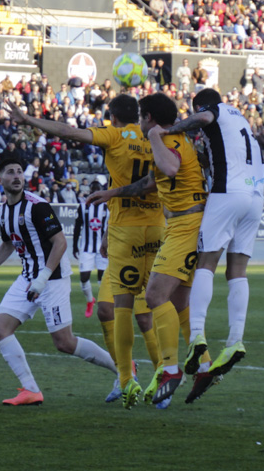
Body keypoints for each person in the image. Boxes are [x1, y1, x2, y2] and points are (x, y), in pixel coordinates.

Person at [6, 96, 162, 405]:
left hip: (146, 237)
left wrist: (29, 120)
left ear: (112, 117)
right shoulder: (153, 136)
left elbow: (70, 132)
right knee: (106, 309)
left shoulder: (117, 135)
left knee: (144, 317)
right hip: (124, 234)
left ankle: (163, 376)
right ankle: (124, 376)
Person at [88, 93, 216, 407]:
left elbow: (168, 168)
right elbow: (149, 183)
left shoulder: (167, 140)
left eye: (144, 118)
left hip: (184, 226)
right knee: (179, 299)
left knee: (155, 296)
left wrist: (157, 134)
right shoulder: (179, 140)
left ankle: (169, 368)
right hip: (190, 225)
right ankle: (204, 364)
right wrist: (112, 192)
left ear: (148, 119)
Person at [0, 154, 116, 406]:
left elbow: (60, 242)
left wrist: (42, 278)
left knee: (64, 343)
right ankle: (30, 389)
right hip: (27, 278)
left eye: (19, 172)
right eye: (10, 172)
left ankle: (124, 369)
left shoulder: (37, 206)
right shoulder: (3, 212)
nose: (16, 176)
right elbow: (8, 244)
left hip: (52, 277)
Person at [158, 88, 264, 390]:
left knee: (205, 263)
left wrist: (172, 129)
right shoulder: (241, 119)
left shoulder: (214, 111)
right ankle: (234, 341)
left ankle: (196, 337)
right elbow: (218, 155)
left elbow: (204, 117)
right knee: (237, 272)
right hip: (255, 196)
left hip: (227, 192)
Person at [73, 183, 108, 319]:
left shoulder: (107, 207)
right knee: (84, 277)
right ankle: (90, 300)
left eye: (97, 191)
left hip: (102, 248)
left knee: (102, 278)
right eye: (93, 191)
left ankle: (103, 302)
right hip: (86, 247)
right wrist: (75, 246)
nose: (95, 194)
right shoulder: (83, 207)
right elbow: (77, 227)